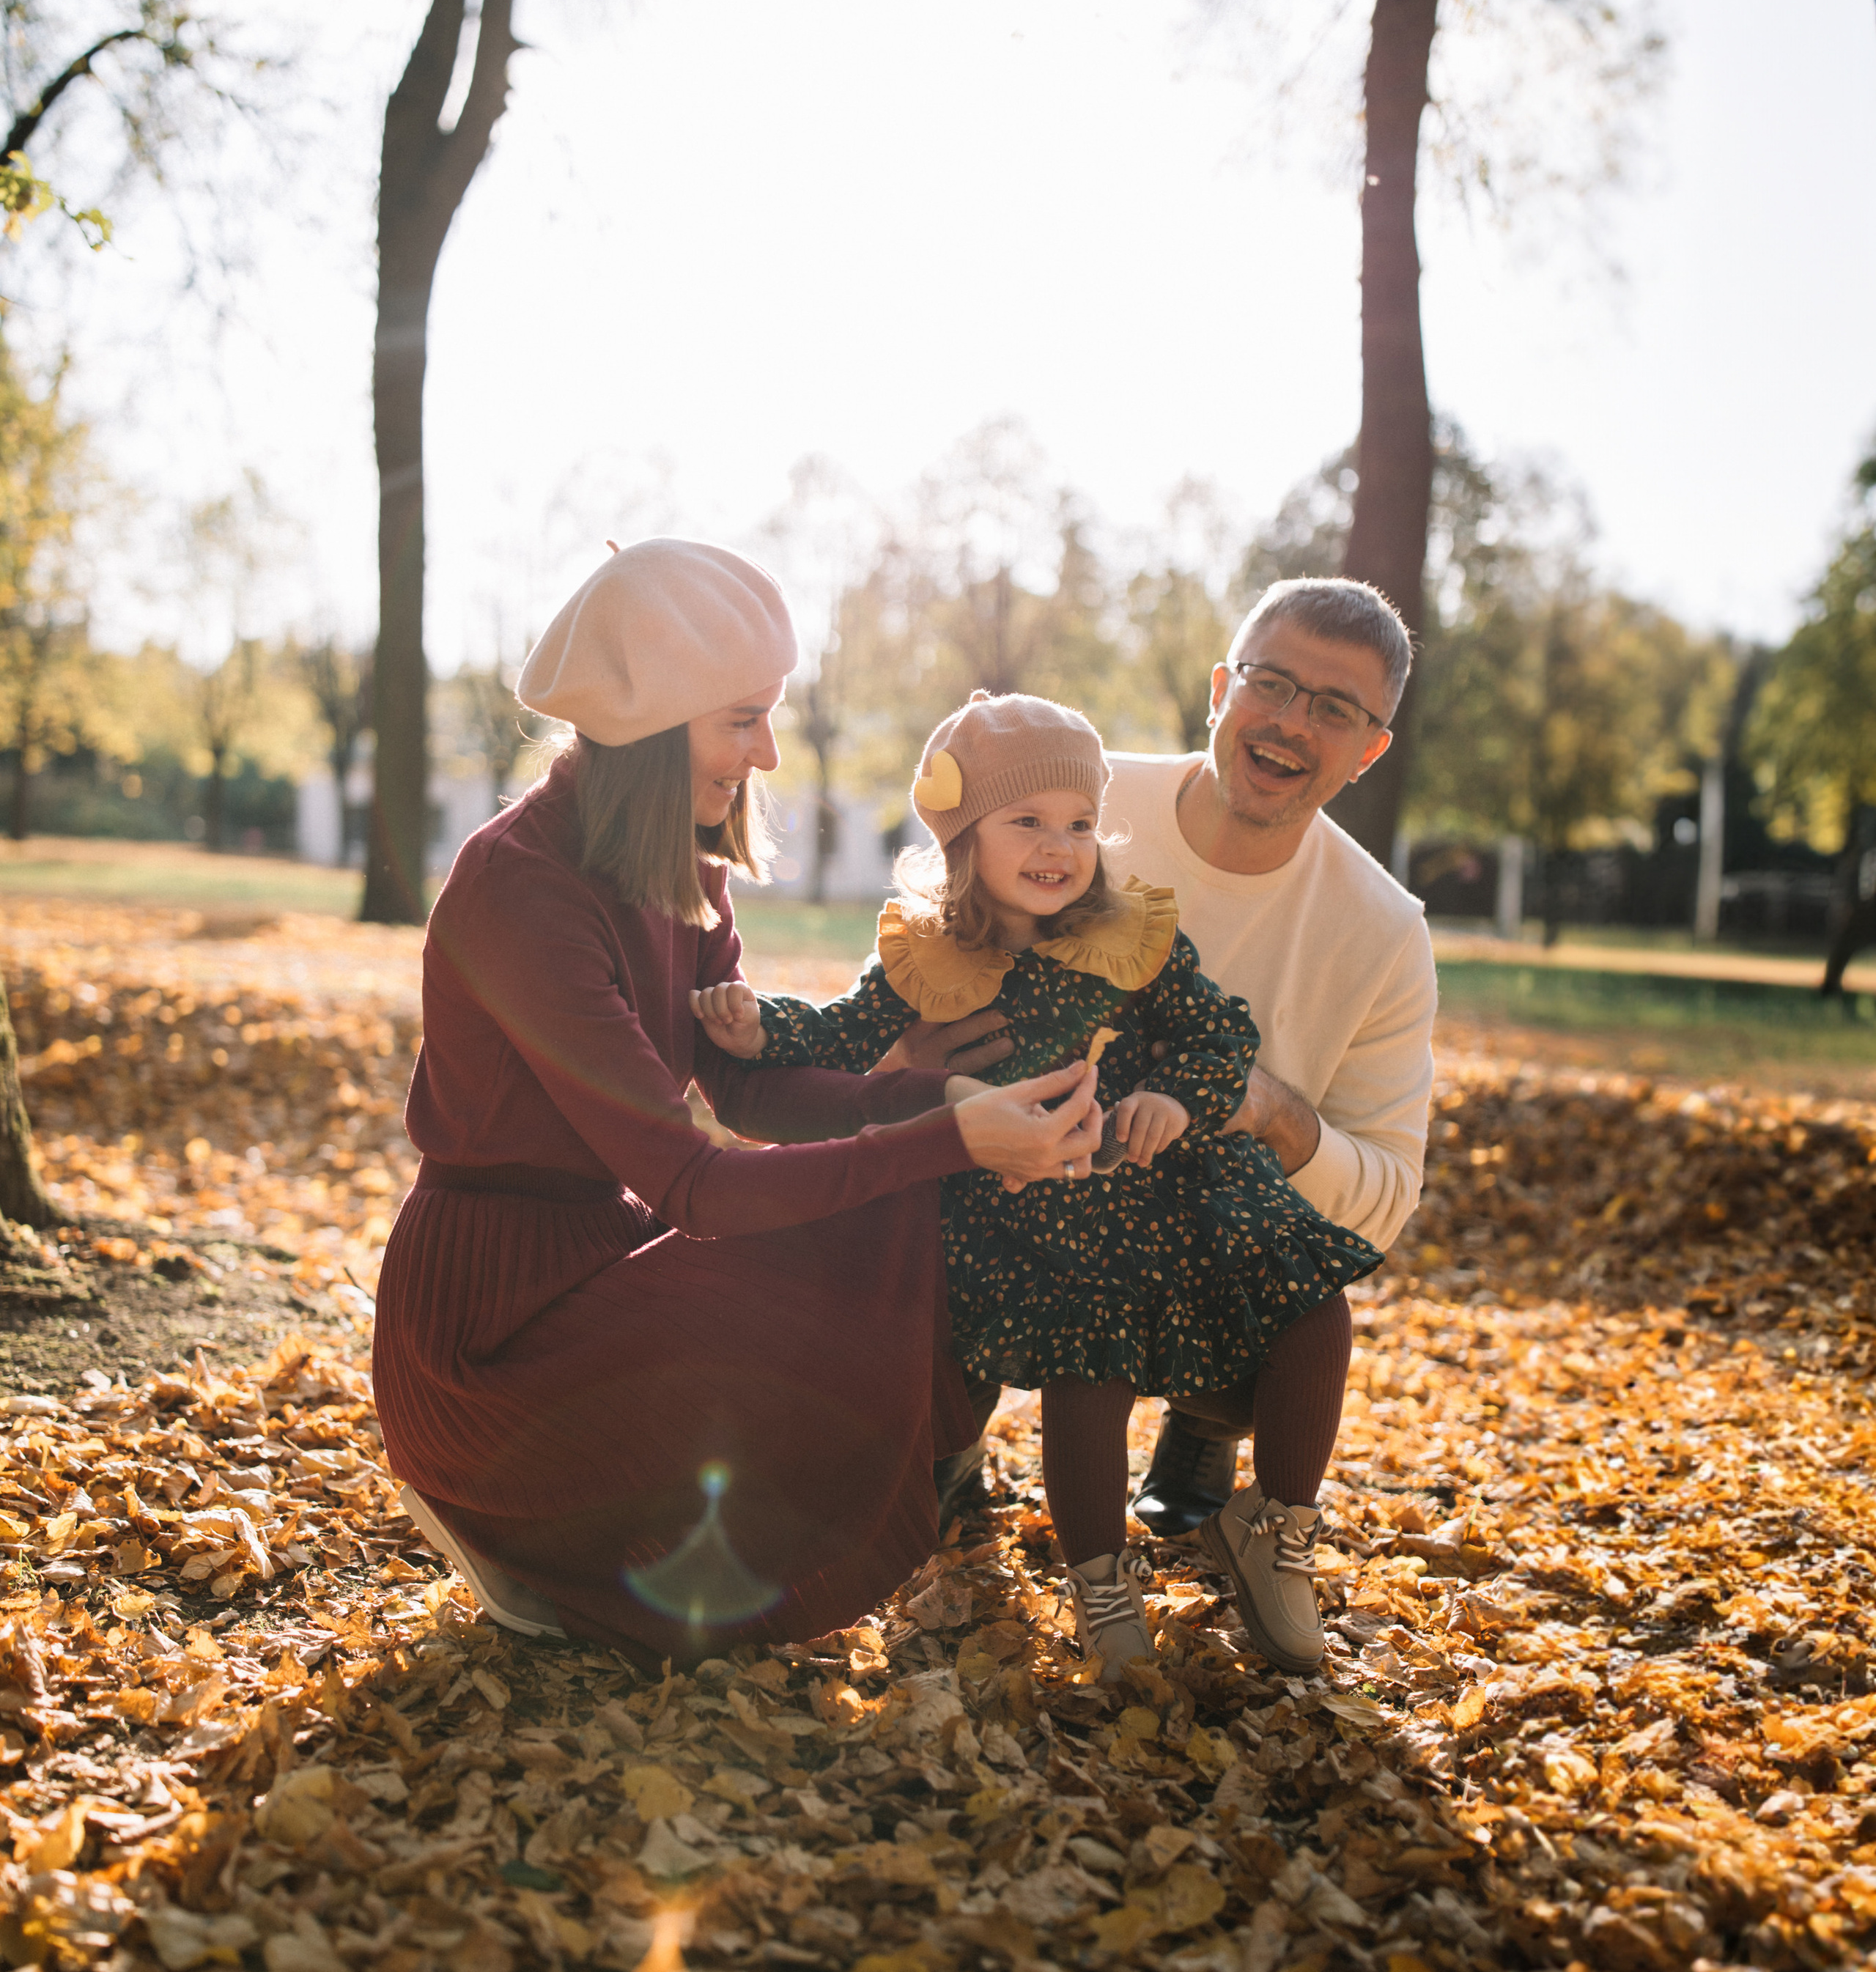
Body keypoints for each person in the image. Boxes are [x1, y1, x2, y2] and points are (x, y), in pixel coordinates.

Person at [373, 540, 1102, 1659]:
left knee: (890, 1204)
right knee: (868, 1210)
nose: (768, 748)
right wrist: (944, 1133)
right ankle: (509, 1520)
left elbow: (749, 1086)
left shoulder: (682, 866)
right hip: (483, 1330)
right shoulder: (520, 889)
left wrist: (933, 1092)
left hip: (593, 1260)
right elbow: (695, 1183)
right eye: (742, 718)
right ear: (656, 722)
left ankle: (611, 1528)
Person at [695, 690, 1382, 1677]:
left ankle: (1280, 1530)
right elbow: (842, 1034)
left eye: (1078, 823)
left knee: (1313, 1308)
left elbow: (1219, 1033)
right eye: (1028, 822)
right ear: (965, 835)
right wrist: (758, 1026)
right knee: (1086, 1373)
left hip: (1170, 1179)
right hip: (1045, 1209)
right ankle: (1103, 1588)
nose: (1060, 846)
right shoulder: (930, 953)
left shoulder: (1131, 935)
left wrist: (1177, 1101)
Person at [885, 581, 1438, 1669]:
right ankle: (944, 1440)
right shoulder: (1083, 810)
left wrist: (1272, 1111)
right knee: (950, 1248)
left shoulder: (1381, 930)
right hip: (1014, 1198)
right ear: (1223, 687)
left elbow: (1385, 1197)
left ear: (1370, 750)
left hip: (1190, 1239)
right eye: (1271, 684)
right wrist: (902, 1058)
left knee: (1301, 1300)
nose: (1289, 721)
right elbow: (934, 919)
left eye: (1333, 707)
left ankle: (1216, 1442)